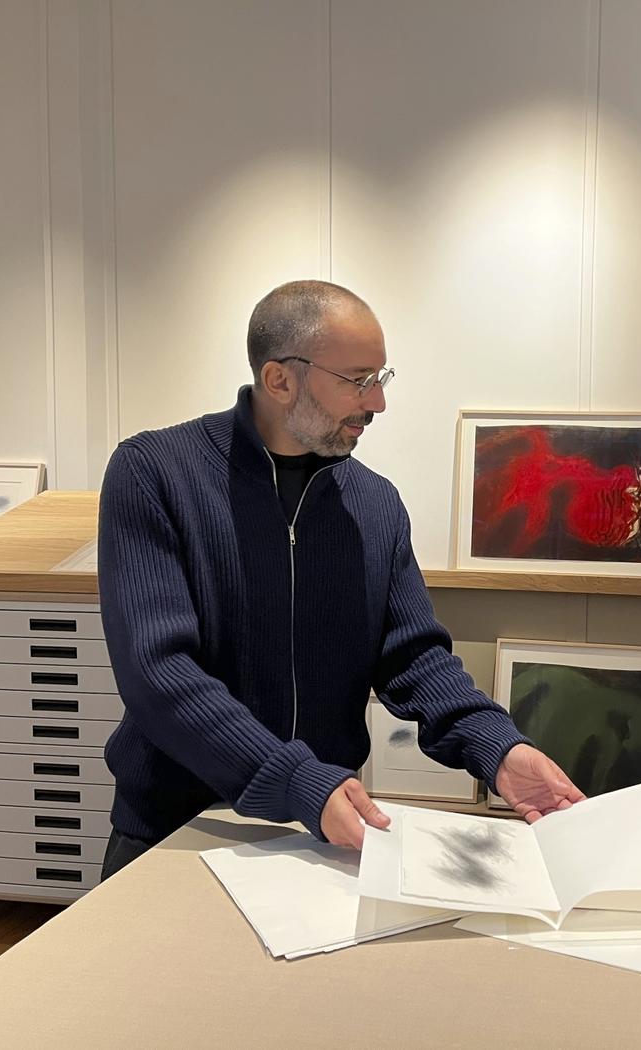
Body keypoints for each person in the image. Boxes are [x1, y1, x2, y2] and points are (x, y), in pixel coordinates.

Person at [96, 280, 584, 878]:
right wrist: (297, 780)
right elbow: (159, 675)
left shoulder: (374, 504)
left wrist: (499, 749)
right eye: (358, 380)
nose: (377, 402)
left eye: (382, 377)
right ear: (280, 380)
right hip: (176, 834)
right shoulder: (153, 474)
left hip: (320, 839)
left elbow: (415, 659)